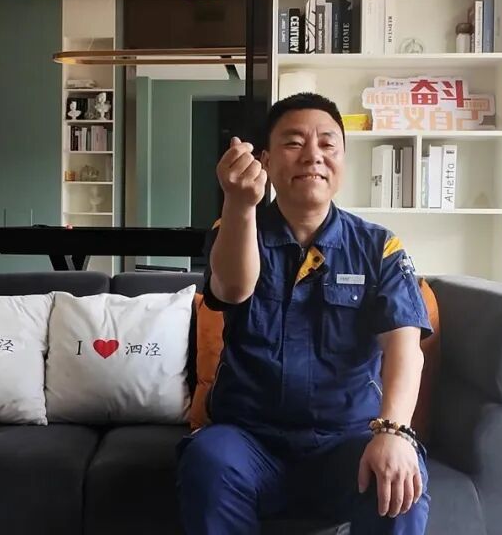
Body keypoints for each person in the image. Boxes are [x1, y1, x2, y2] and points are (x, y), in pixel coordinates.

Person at [177, 93, 432, 534]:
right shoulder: (235, 227)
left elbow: (404, 347)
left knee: (400, 478)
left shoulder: (378, 247)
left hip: (345, 443)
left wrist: (393, 431)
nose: (313, 155)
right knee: (207, 461)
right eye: (293, 143)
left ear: (343, 160)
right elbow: (233, 289)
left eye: (328, 144)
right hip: (249, 441)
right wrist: (239, 204)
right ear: (265, 159)